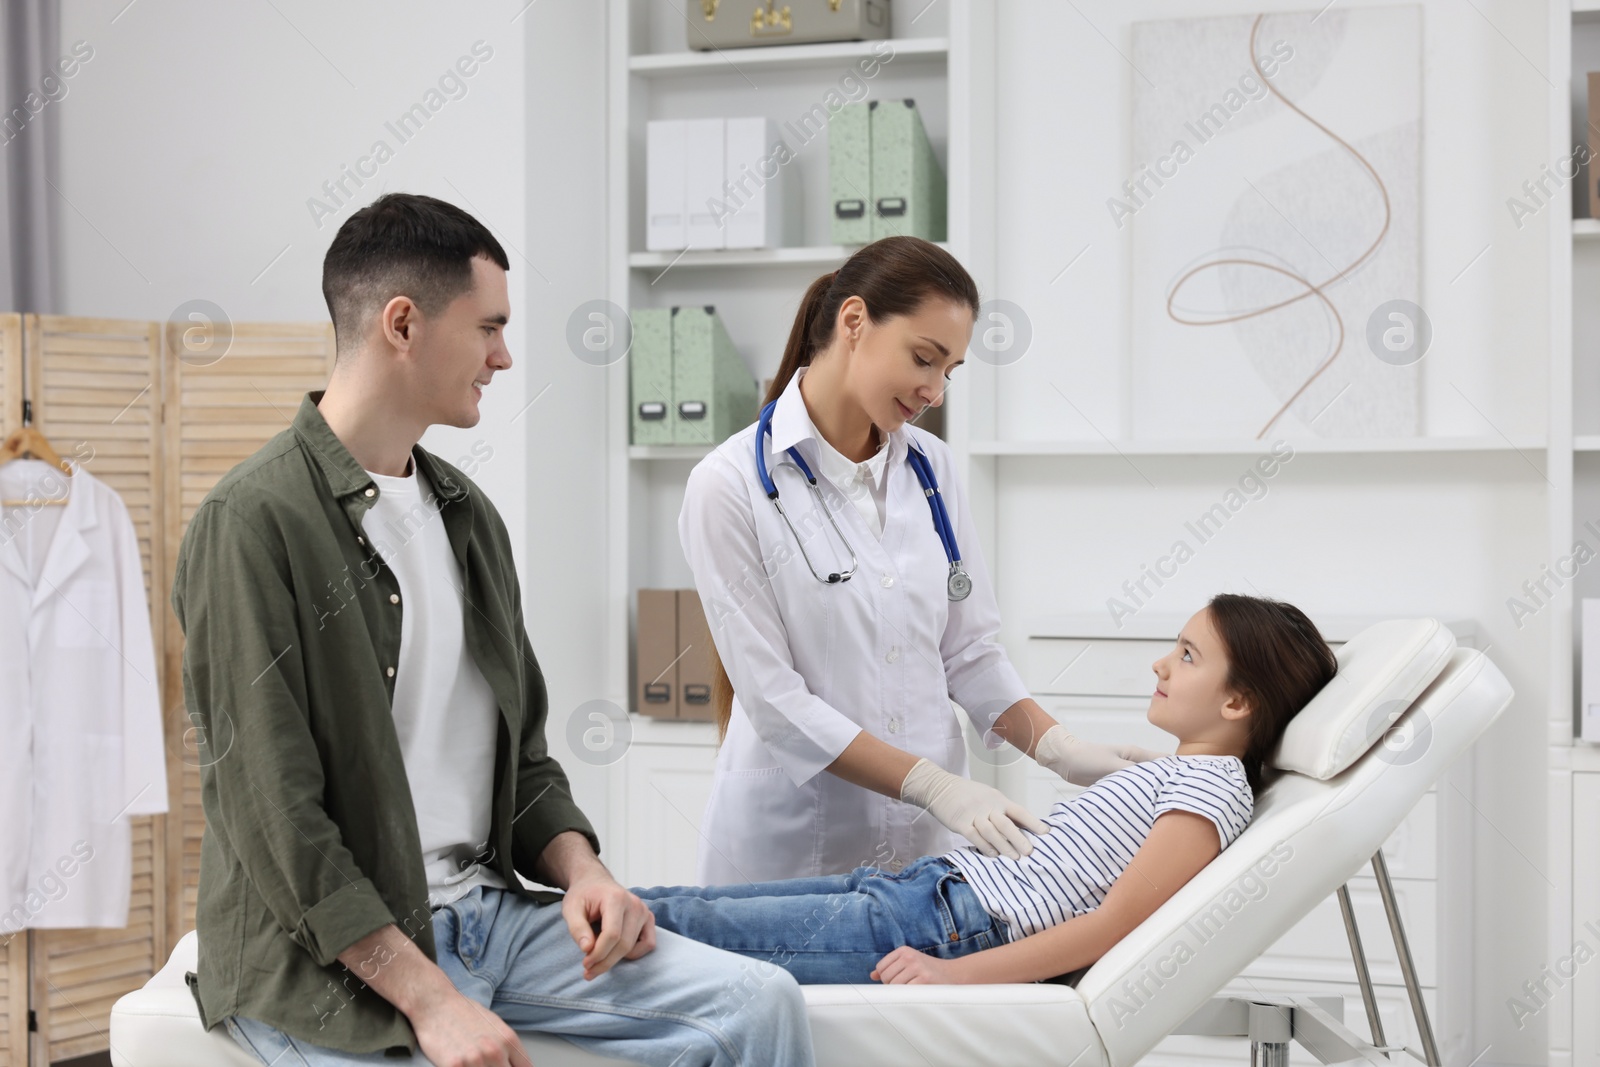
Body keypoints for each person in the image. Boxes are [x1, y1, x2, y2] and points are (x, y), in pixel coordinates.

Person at [171, 193, 812, 1067]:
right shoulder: (251, 522)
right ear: (403, 323)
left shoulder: (467, 516)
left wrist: (585, 871)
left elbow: (527, 760)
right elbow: (276, 818)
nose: (503, 357)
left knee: (759, 1002)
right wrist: (432, 999)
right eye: (488, 327)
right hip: (328, 961)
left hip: (487, 918)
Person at [680, 236, 1164, 884]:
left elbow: (970, 653)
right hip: (793, 856)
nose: (935, 390)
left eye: (950, 371)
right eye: (924, 358)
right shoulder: (730, 483)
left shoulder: (931, 469)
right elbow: (776, 703)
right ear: (854, 321)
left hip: (922, 853)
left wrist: (1063, 749)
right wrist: (933, 784)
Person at [633, 595, 1336, 986]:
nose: (1161, 661)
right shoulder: (1186, 774)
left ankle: (530, 936)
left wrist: (953, 976)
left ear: (1239, 700)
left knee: (695, 934)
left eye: (1186, 654)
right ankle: (536, 919)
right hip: (925, 890)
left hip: (949, 925)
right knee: (687, 913)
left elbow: (1111, 924)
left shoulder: (1210, 792)